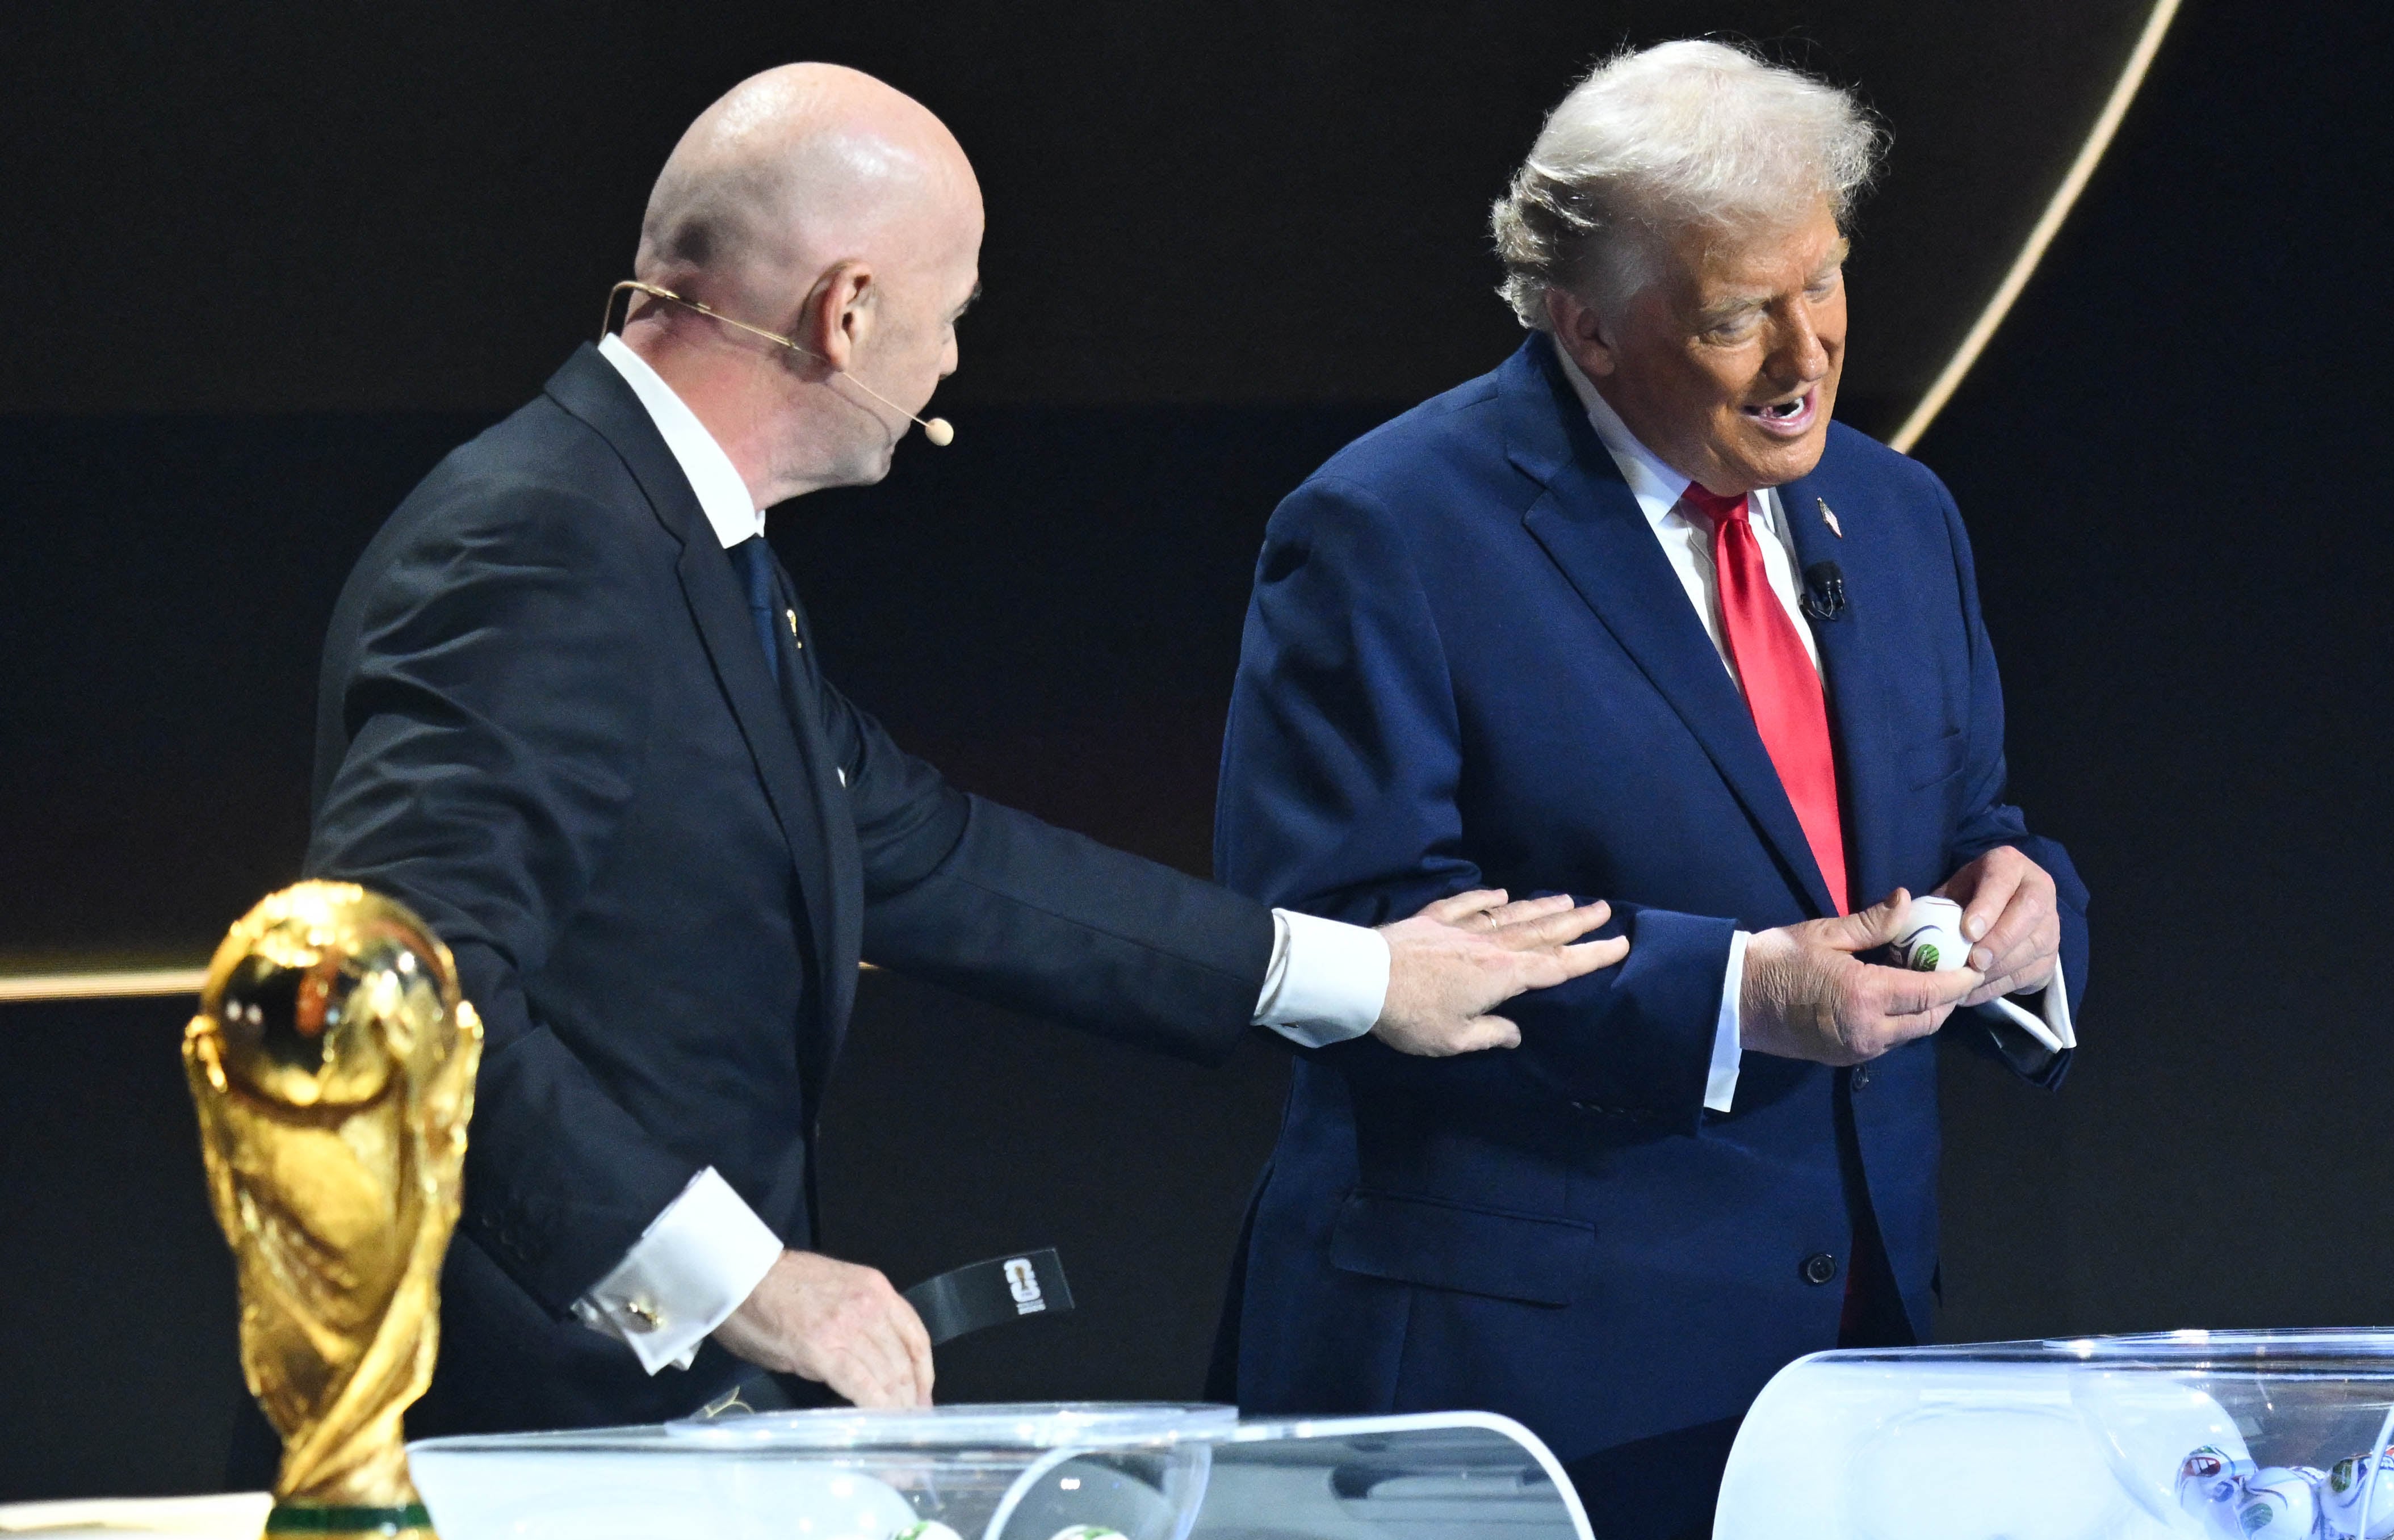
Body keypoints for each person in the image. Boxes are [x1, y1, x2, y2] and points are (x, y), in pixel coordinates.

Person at [294, 63, 1625, 1442]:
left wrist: (1362, 975)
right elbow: (386, 987)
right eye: (952, 314)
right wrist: (741, 1281)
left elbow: (939, 856)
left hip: (626, 1441)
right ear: (848, 310)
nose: (949, 364)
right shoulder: (552, 542)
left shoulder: (676, 538)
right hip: (502, 1457)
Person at [1210, 41, 2087, 1540]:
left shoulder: (1896, 519)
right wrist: (1732, 994)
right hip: (1521, 1391)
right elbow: (1344, 930)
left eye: (1823, 281)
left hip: (1838, 1378)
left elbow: (1968, 825)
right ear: (1585, 321)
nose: (1803, 351)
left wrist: (2023, 920)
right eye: (1735, 312)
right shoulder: (1388, 529)